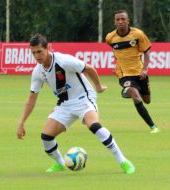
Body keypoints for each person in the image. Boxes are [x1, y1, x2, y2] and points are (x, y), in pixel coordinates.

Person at [17, 33, 135, 174]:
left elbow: (89, 68)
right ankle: (60, 163)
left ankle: (123, 161)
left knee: (94, 126)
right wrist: (21, 122)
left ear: (47, 48)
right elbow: (32, 99)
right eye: (33, 53)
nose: (37, 56)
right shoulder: (38, 72)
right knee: (46, 137)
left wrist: (98, 86)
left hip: (84, 97)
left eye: (39, 51)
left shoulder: (63, 60)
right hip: (65, 104)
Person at [105, 10, 159, 134]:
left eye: (123, 19)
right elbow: (116, 51)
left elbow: (147, 53)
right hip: (124, 75)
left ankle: (139, 89)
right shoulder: (110, 37)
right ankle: (153, 126)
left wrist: (145, 69)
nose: (120, 22)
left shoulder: (138, 34)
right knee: (134, 95)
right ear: (114, 22)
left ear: (128, 21)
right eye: (118, 19)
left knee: (147, 100)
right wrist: (117, 65)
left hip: (140, 73)